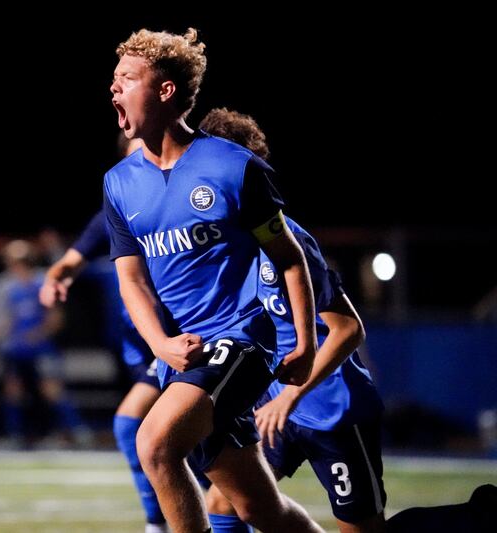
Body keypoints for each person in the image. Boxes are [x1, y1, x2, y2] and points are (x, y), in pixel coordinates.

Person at [104, 28, 322, 533]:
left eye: (128, 79)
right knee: (257, 509)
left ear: (165, 92)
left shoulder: (234, 167)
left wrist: (306, 347)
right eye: (113, 80)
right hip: (186, 355)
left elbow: (291, 260)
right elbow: (132, 283)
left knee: (154, 444)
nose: (114, 89)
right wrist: (161, 345)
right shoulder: (118, 183)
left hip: (242, 338)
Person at [200, 107, 386, 533]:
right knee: (230, 502)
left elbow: (347, 328)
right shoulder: (226, 245)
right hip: (273, 406)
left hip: (333, 411)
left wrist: (290, 396)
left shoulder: (287, 240)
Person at [41, 136, 176, 532]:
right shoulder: (115, 210)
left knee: (133, 425)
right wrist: (56, 276)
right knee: (179, 443)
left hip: (175, 337)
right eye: (138, 153)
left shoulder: (177, 204)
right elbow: (72, 258)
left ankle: (161, 522)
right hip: (139, 340)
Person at [0, 240, 89, 448]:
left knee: (52, 390)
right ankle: (16, 435)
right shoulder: (3, 285)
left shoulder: (43, 280)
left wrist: (39, 333)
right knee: (13, 391)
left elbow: (56, 317)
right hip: (14, 348)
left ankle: (77, 432)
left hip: (41, 347)